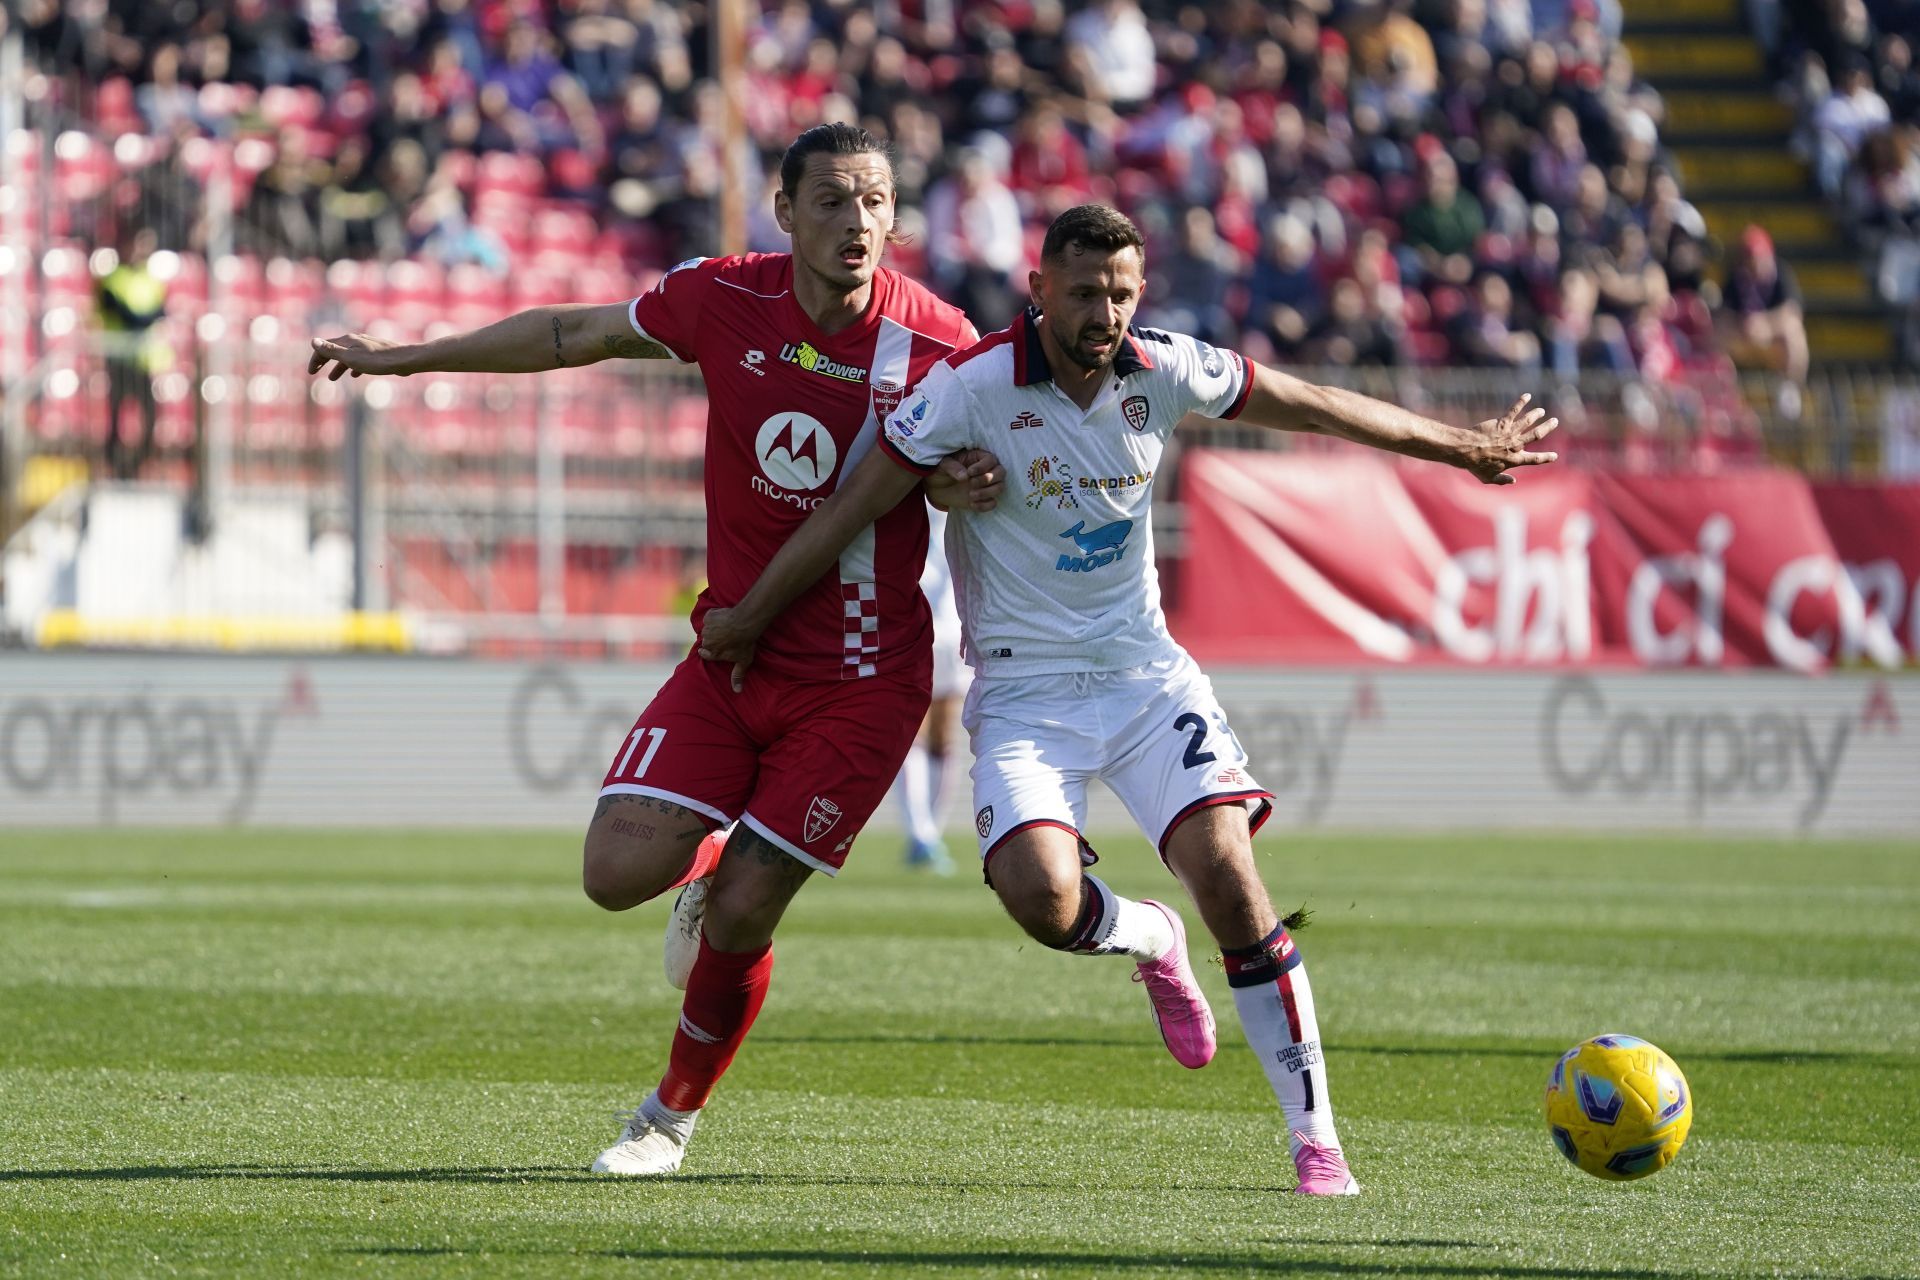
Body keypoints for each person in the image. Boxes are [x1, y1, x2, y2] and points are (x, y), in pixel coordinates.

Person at [697, 203, 1557, 1197]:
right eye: (1085, 290)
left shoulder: (1167, 367)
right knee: (1038, 896)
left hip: (1146, 677)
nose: (1104, 309)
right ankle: (1149, 932)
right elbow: (858, 500)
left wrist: (1457, 445)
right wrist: (762, 604)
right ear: (1040, 292)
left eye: (1120, 290)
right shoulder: (970, 387)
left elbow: (1309, 402)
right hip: (1021, 689)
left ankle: (1315, 1136)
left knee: (1231, 875)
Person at [309, 122, 1005, 1177]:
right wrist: (405, 357)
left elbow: (984, 466)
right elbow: (571, 333)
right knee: (613, 871)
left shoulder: (944, 343)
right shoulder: (724, 295)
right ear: (785, 212)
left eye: (873, 201)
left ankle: (666, 1119)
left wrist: (965, 481)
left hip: (860, 677)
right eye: (831, 200)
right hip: (729, 654)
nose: (855, 221)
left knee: (742, 911)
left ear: (895, 215)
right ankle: (715, 855)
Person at [893, 502, 968, 874]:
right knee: (926, 733)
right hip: (933, 619)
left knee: (933, 734)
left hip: (941, 620)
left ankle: (926, 835)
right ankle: (925, 834)